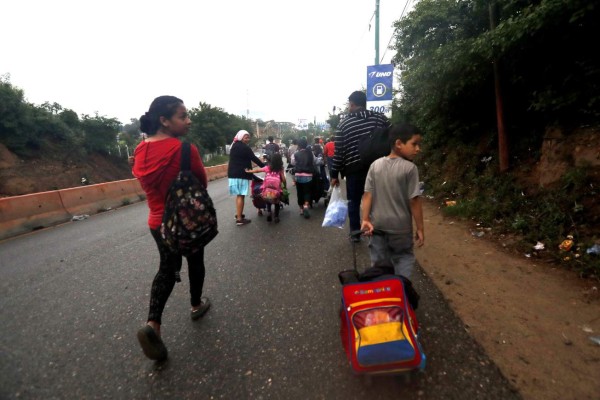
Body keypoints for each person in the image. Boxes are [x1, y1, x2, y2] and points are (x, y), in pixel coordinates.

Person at [132, 95, 211, 362]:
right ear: (164, 121)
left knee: (167, 267)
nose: (189, 121)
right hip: (186, 221)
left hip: (157, 223)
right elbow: (202, 183)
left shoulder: (140, 150)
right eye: (183, 116)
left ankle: (153, 324)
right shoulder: (184, 150)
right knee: (195, 260)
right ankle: (196, 304)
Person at [360, 123, 424, 279]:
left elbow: (368, 195)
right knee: (403, 259)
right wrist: (420, 228)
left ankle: (382, 294)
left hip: (377, 226)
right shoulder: (410, 169)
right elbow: (414, 201)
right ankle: (401, 293)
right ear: (398, 144)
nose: (418, 149)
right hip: (400, 229)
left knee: (379, 265)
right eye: (414, 144)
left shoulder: (375, 165)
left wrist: (365, 219)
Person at [330, 91, 389, 241]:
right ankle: (379, 229)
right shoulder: (380, 118)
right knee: (379, 199)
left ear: (352, 104)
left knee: (354, 202)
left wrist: (333, 175)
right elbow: (392, 136)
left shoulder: (344, 124)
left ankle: (356, 233)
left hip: (354, 169)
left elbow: (339, 152)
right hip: (379, 167)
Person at [228, 130, 265, 226]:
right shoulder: (245, 148)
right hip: (241, 174)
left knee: (238, 195)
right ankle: (239, 219)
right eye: (246, 137)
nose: (248, 139)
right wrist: (265, 167)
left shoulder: (234, 146)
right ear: (240, 137)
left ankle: (238, 214)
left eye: (248, 137)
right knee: (241, 195)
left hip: (232, 174)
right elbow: (254, 158)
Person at [245, 153, 286, 223]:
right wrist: (284, 186)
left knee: (268, 201)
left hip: (267, 189)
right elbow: (283, 180)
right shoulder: (280, 169)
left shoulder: (268, 167)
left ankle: (269, 213)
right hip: (276, 190)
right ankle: (276, 216)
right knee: (277, 202)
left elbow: (258, 170)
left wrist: (249, 171)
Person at [291, 138, 314, 219]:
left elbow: (293, 163)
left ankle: (301, 209)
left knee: (299, 192)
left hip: (298, 175)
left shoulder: (295, 154)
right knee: (307, 192)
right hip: (308, 176)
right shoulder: (310, 153)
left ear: (299, 145)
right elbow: (315, 161)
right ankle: (306, 205)